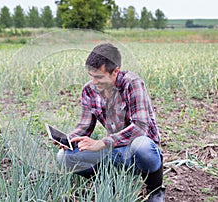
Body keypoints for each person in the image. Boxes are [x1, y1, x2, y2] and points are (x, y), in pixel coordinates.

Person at [56, 43, 165, 202]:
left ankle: (155, 190)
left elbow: (140, 128)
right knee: (64, 156)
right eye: (91, 76)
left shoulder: (132, 84)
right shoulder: (89, 90)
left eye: (99, 77)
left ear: (115, 72)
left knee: (141, 145)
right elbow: (84, 126)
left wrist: (102, 142)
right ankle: (108, 183)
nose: (93, 82)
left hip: (139, 152)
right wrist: (69, 139)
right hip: (113, 152)